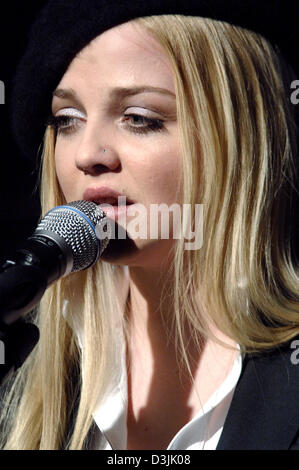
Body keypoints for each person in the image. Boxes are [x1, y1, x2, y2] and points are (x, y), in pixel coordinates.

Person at [1, 0, 299, 450]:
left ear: (240, 139)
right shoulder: (27, 369)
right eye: (67, 120)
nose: (87, 154)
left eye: (139, 118)